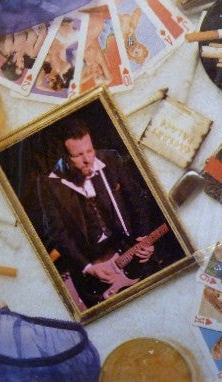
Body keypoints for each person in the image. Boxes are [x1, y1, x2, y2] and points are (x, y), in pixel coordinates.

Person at [35, 119, 163, 308]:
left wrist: (144, 237)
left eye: (89, 150)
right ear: (64, 156)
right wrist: (88, 267)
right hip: (92, 271)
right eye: (78, 155)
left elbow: (137, 201)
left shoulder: (110, 159)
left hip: (129, 251)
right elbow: (58, 234)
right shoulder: (48, 183)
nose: (87, 159)